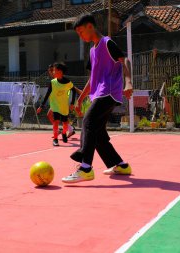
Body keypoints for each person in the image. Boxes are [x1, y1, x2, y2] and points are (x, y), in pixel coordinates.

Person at [61, 14, 133, 184]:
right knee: (98, 132)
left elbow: (125, 61)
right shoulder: (92, 50)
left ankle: (85, 168)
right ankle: (120, 165)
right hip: (99, 93)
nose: (80, 36)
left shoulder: (107, 43)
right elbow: (92, 78)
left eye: (80, 31)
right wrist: (81, 98)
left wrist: (128, 82)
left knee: (88, 122)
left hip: (108, 92)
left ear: (90, 27)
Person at [37, 62, 76, 146]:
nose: (53, 72)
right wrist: (41, 106)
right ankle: (55, 139)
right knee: (56, 122)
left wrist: (72, 103)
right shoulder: (52, 82)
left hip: (64, 107)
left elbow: (74, 90)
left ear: (60, 71)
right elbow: (47, 94)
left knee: (65, 124)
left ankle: (64, 133)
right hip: (55, 106)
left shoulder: (67, 82)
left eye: (54, 70)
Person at [46, 64, 81, 138]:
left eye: (51, 70)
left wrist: (78, 91)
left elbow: (72, 87)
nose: (50, 72)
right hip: (56, 101)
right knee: (57, 117)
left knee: (51, 115)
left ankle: (62, 130)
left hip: (60, 101)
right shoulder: (55, 80)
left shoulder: (59, 78)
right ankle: (69, 130)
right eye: (50, 71)